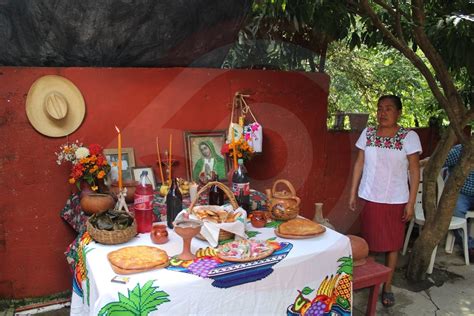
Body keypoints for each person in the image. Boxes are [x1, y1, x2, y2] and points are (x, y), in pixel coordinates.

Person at [349, 95, 422, 307]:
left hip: (395, 199)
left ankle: (387, 287)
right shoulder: (368, 133)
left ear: (399, 112)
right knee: (368, 242)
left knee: (392, 245)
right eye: (380, 108)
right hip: (369, 196)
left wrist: (410, 203)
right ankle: (369, 280)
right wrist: (353, 192)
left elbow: (415, 172)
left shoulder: (409, 137)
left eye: (389, 109)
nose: (383, 113)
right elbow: (359, 163)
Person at [443, 144, 474, 260]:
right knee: (456, 213)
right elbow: (436, 163)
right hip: (460, 193)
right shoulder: (459, 151)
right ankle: (469, 247)